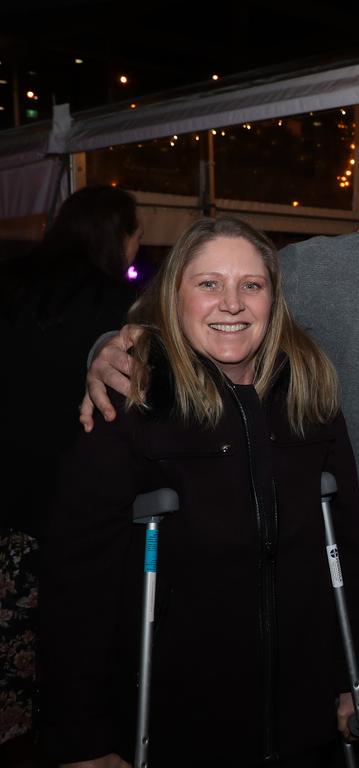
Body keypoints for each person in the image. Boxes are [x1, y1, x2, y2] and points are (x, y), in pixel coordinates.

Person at [78, 107, 359, 768]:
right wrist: (109, 344)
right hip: (336, 562)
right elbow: (200, 310)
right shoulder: (308, 269)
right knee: (342, 736)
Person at [38, 216, 359, 768]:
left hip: (300, 713)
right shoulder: (131, 401)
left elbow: (343, 547)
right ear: (173, 298)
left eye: (252, 285)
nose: (232, 303)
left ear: (273, 299)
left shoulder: (308, 395)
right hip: (179, 718)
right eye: (208, 284)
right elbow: (76, 584)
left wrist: (358, 673)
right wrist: (80, 736)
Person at [0, 185, 141, 766]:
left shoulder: (7, 282)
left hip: (5, 493)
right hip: (64, 505)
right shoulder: (115, 306)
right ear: (119, 237)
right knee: (65, 650)